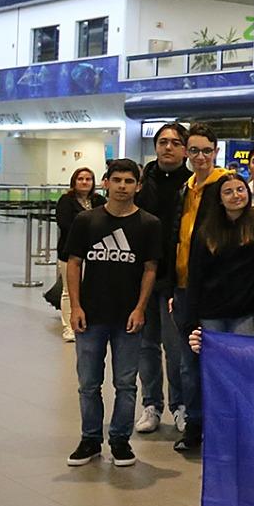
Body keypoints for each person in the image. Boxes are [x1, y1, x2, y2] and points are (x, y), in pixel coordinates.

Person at [64, 160, 161, 468]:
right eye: (116, 180)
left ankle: (120, 440)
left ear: (138, 186)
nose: (122, 186)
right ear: (105, 183)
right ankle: (90, 439)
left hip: (127, 318)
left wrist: (140, 308)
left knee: (126, 383)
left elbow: (150, 269)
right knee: (88, 383)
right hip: (91, 315)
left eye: (129, 181)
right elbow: (74, 263)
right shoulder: (86, 221)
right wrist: (75, 307)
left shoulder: (149, 224)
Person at [178, 173, 254, 451]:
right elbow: (194, 276)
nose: (235, 196)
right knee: (209, 374)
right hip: (211, 313)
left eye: (240, 190)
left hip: (244, 313)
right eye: (228, 191)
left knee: (243, 375)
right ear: (219, 199)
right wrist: (191, 317)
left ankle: (240, 429)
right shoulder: (206, 231)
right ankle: (200, 426)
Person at [172, 123, 230, 451]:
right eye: (193, 150)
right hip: (183, 290)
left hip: (213, 293)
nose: (200, 157)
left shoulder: (224, 185)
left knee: (218, 363)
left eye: (206, 150)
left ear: (215, 151)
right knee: (188, 362)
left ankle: (222, 428)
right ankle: (193, 425)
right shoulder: (186, 188)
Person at [134, 122, 189, 433]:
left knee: (175, 346)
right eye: (163, 141)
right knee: (146, 344)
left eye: (175, 142)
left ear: (184, 149)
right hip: (142, 278)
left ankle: (179, 404)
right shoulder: (142, 181)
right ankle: (150, 404)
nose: (168, 147)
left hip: (176, 280)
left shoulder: (193, 184)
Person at [55, 166, 104, 343]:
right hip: (70, 252)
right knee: (69, 290)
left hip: (96, 252)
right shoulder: (65, 201)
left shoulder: (99, 200)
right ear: (74, 182)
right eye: (81, 179)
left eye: (88, 179)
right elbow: (65, 224)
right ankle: (69, 327)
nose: (84, 182)